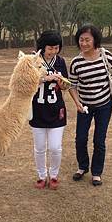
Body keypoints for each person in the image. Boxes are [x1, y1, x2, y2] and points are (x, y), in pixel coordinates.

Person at [68, 24, 112, 186]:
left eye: (87, 40)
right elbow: (72, 85)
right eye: (81, 40)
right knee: (80, 138)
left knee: (99, 139)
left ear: (95, 40)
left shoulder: (106, 56)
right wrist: (77, 103)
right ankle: (83, 166)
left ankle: (97, 172)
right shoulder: (76, 62)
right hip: (84, 106)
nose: (83, 43)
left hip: (104, 105)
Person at [29, 30, 68, 190]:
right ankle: (41, 176)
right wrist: (45, 78)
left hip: (56, 110)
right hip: (37, 110)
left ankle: (53, 175)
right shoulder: (33, 60)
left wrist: (62, 82)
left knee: (55, 147)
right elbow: (26, 82)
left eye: (56, 48)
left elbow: (65, 86)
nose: (53, 51)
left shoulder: (60, 62)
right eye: (50, 48)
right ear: (43, 47)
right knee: (39, 148)